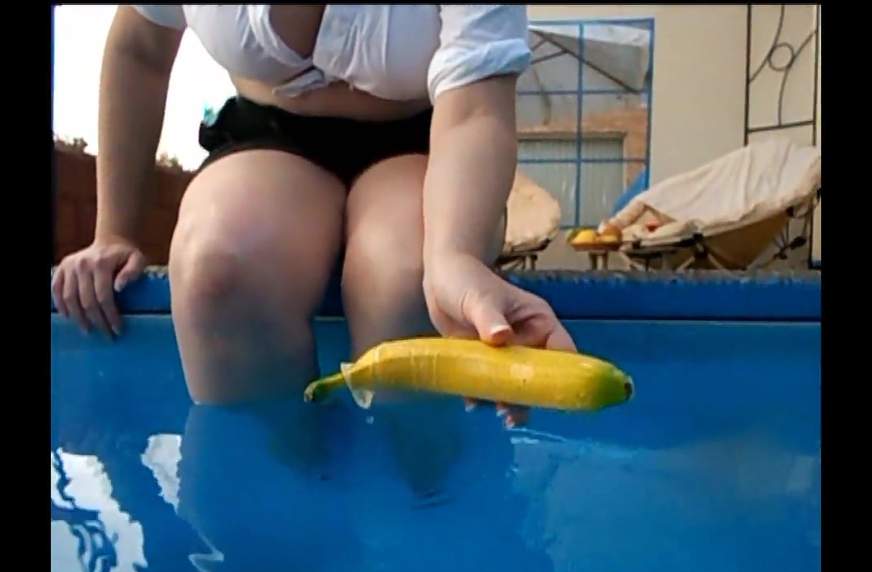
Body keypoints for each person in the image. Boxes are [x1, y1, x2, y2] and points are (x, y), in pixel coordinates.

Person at [51, 5, 576, 427]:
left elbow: (477, 108)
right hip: (269, 133)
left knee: (410, 280)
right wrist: (113, 231)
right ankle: (272, 513)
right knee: (219, 268)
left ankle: (421, 509)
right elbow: (141, 45)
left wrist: (454, 257)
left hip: (430, 136)